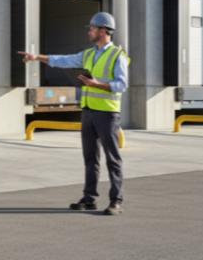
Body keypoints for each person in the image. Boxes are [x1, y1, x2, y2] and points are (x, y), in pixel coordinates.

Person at [17, 11, 128, 216]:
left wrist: (98, 85)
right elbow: (64, 60)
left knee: (112, 158)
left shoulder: (117, 55)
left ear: (103, 31)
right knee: (90, 158)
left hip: (107, 114)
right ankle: (89, 199)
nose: (89, 32)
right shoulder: (89, 54)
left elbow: (122, 85)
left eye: (92, 28)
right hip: (88, 112)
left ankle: (116, 201)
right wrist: (36, 57)